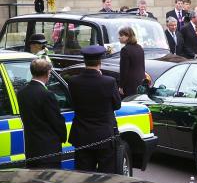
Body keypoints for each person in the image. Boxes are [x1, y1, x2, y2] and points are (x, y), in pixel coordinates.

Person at [68, 45, 121, 174]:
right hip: (104, 136)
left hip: (82, 135)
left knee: (84, 176)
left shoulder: (73, 81)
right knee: (106, 176)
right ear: (100, 62)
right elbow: (117, 105)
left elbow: (72, 104)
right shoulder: (109, 81)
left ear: (84, 61)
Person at [17, 59, 66, 168]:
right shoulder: (47, 95)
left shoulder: (21, 92)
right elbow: (56, 121)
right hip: (48, 151)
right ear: (48, 73)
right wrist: (63, 137)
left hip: (31, 149)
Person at [118, 26, 145, 97]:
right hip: (140, 81)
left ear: (127, 36)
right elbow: (142, 66)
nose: (119, 37)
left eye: (121, 35)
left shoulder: (125, 50)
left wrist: (121, 86)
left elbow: (124, 70)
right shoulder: (140, 47)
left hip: (130, 83)